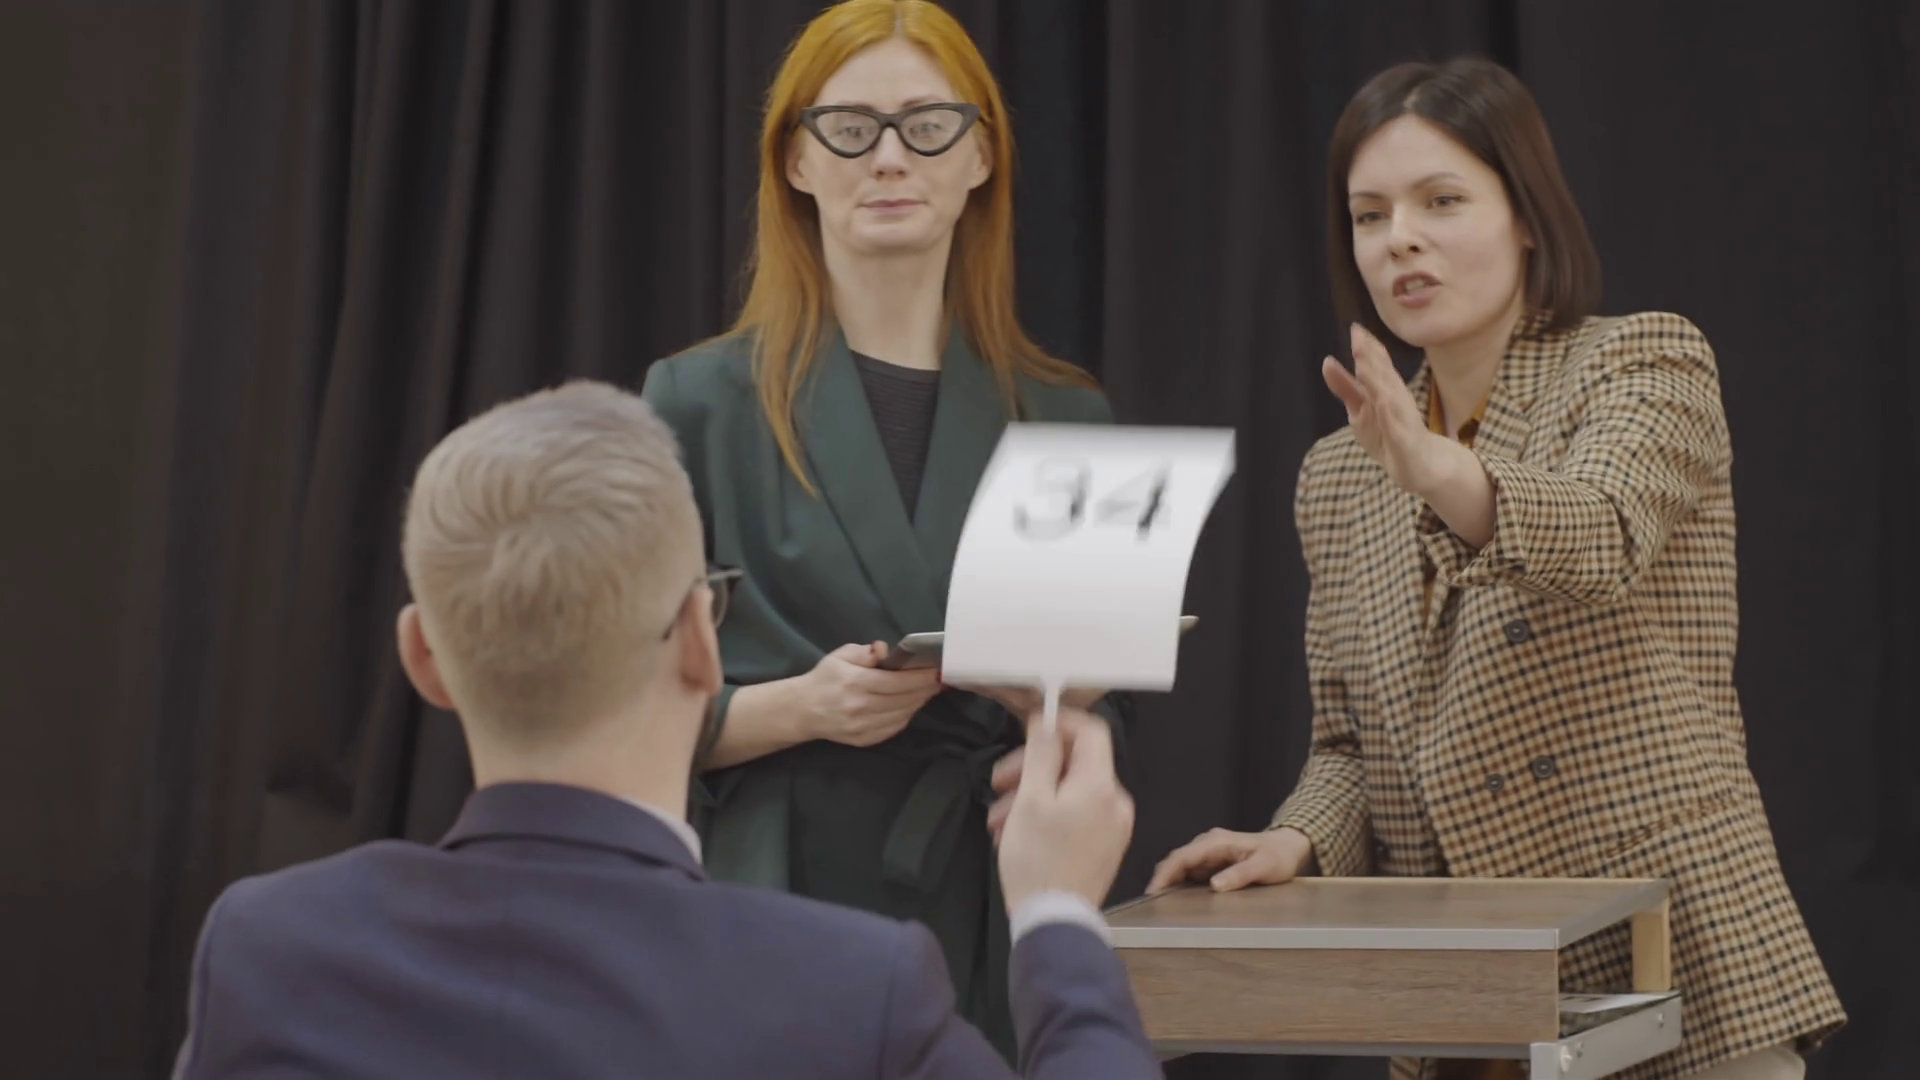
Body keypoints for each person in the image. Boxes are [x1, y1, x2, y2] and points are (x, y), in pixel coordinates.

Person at [1146, 58, 1846, 1080]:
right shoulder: (1339, 474)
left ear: (1526, 216)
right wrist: (1295, 840)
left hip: (1661, 952)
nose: (1401, 240)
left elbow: (1599, 535)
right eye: (1370, 214)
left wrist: (1437, 470)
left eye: (1442, 202)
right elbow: (1352, 743)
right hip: (1471, 994)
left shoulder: (1644, 361)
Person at [168, 382, 1158, 1080]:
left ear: (423, 657)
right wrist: (1056, 916)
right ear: (700, 636)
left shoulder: (264, 951)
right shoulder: (857, 991)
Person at [640, 0, 1128, 1056]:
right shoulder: (695, 402)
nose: (891, 157)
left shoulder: (1065, 418)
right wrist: (799, 707)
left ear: (981, 155)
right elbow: (620, 717)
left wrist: (1057, 704)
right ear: (797, 162)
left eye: (928, 124)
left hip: (982, 902)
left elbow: (1097, 737)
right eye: (850, 128)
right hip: (772, 897)